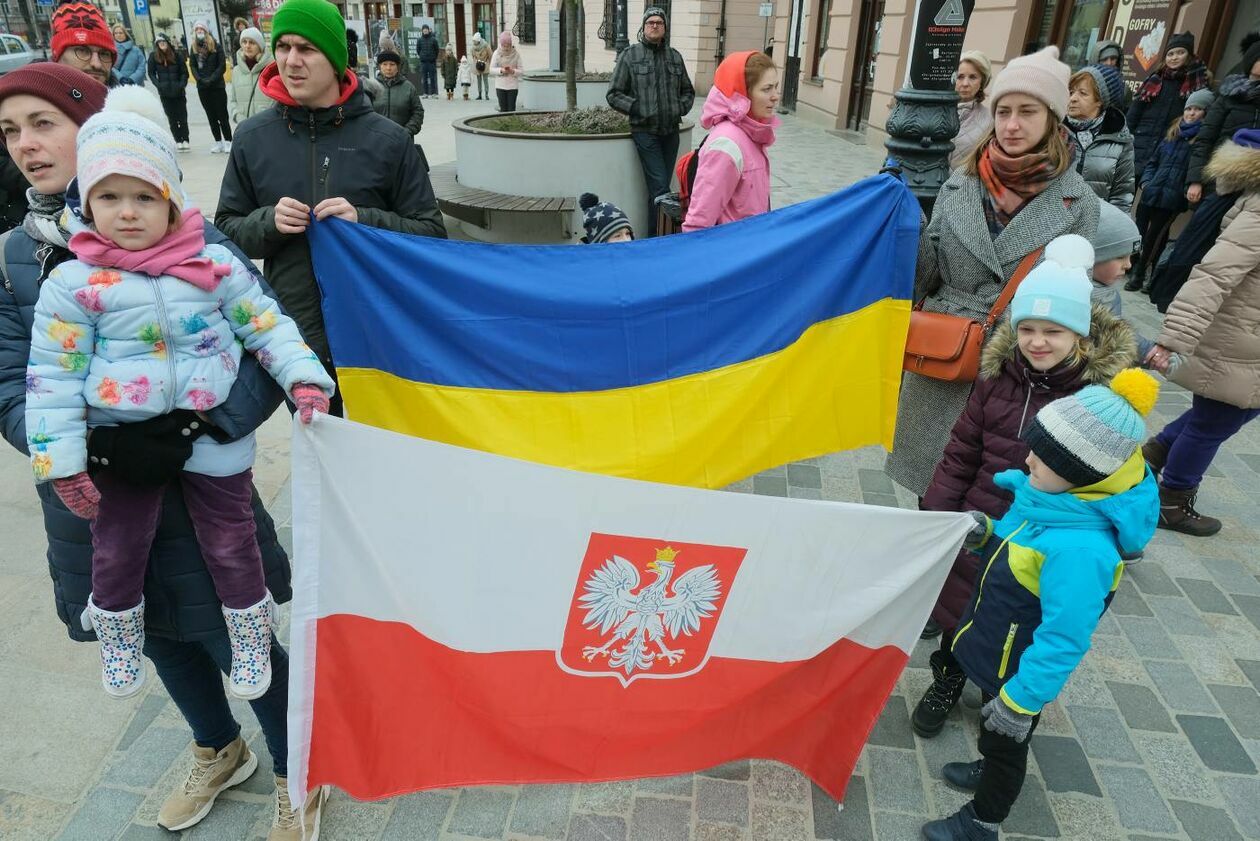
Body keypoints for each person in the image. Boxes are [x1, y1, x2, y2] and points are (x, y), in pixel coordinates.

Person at [0, 62, 327, 840]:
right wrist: (92, 451)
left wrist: (196, 430)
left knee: (233, 628)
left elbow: (261, 341)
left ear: (95, 129)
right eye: (10, 130)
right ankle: (218, 748)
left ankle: (297, 769)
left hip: (202, 481)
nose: (26, 145)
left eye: (43, 123)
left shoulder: (186, 235)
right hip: (101, 495)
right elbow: (16, 383)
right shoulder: (18, 256)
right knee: (159, 633)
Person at [911, 237, 1137, 740]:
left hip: (1041, 539)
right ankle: (947, 677)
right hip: (982, 522)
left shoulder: (1096, 400)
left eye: (1053, 331)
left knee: (1013, 623)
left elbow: (1122, 479)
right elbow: (963, 449)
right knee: (959, 612)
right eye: (1027, 329)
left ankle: (1002, 694)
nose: (1037, 341)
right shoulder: (996, 380)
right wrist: (939, 510)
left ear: (1078, 335)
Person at [921, 370, 1159, 841]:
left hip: (1019, 673)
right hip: (1000, 652)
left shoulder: (1080, 551)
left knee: (1005, 740)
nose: (1026, 458)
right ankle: (989, 765)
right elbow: (1016, 551)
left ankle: (983, 820)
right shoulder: (1050, 504)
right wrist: (986, 534)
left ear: (1080, 474)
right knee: (994, 737)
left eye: (1041, 458)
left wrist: (1022, 701)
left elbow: (1064, 638)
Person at [884, 46, 1100, 502]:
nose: (1012, 124)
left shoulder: (1077, 202)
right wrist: (904, 228)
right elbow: (927, 279)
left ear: (1053, 119)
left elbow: (1069, 301)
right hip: (946, 357)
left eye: (1027, 111)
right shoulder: (960, 182)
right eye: (1003, 111)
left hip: (1015, 374)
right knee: (933, 491)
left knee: (991, 498)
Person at [216, 0, 448, 418]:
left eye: (306, 49)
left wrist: (364, 221)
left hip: (377, 337)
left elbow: (431, 232)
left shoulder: (389, 140)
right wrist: (269, 222)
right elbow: (225, 232)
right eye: (282, 47)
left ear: (336, 57)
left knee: (381, 458)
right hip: (295, 342)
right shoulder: (252, 137)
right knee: (320, 460)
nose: (291, 60)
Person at [1143, 128, 1260, 537]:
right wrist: (1174, 338)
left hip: (1248, 338)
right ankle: (1171, 502)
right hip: (1235, 336)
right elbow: (1213, 275)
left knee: (1231, 413)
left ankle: (1154, 455)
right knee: (1216, 420)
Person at [1150, 39, 1260, 310]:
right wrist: (1195, 179)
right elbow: (1205, 139)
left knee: (1231, 250)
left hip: (1254, 187)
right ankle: (1169, 297)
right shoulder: (1230, 95)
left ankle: (1210, 306)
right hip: (1220, 181)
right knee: (1196, 239)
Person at [607, 7, 696, 227]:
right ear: (643, 27)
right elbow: (613, 94)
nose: (654, 25)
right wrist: (638, 108)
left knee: (659, 189)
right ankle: (659, 240)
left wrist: (679, 108)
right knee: (661, 188)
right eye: (650, 22)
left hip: (670, 132)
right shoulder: (631, 55)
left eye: (659, 22)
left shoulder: (675, 57)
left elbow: (688, 91)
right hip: (645, 133)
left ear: (665, 28)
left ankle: (654, 236)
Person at [681, 51, 780, 232]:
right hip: (733, 254)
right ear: (742, 94)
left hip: (750, 250)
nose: (775, 96)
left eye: (776, 87)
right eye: (767, 89)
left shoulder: (751, 134)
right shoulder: (726, 144)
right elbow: (699, 222)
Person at [1125, 88, 1213, 292]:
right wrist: (1146, 182)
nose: (1191, 113)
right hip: (1152, 190)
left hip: (1172, 195)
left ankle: (1140, 274)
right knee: (1140, 230)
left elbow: (1197, 169)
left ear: (1206, 113)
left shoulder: (1201, 140)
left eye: (1197, 109)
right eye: (1189, 108)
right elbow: (1153, 162)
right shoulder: (1172, 133)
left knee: (1155, 234)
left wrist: (1184, 190)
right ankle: (1144, 267)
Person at [1127, 32, 1210, 174]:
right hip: (1140, 143)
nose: (1174, 57)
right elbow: (1134, 114)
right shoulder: (1154, 80)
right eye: (1170, 54)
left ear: (1189, 55)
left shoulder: (1197, 83)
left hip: (1170, 146)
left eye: (1180, 52)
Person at [1065, 64, 1135, 212]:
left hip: (1094, 226)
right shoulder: (1055, 131)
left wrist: (1115, 231)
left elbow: (1122, 196)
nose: (1073, 99)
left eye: (1082, 93)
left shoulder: (1120, 141)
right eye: (1071, 92)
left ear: (1100, 100)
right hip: (1050, 223)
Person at [51, 1, 118, 88]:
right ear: (57, 57)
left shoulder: (128, 99)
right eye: (82, 50)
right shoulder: (35, 99)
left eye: (104, 53)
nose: (97, 64)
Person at [190, 21, 232, 153]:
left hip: (217, 87)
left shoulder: (216, 46)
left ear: (206, 31)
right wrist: (200, 79)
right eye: (197, 29)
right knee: (211, 116)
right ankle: (218, 142)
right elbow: (193, 66)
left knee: (222, 115)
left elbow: (222, 66)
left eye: (201, 29)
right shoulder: (194, 48)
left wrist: (212, 79)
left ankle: (228, 141)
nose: (199, 31)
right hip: (203, 88)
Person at [148, 34, 190, 151]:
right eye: (159, 42)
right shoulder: (153, 56)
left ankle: (185, 139)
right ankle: (178, 140)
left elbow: (184, 72)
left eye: (164, 41)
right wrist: (159, 85)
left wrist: (181, 84)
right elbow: (151, 73)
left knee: (182, 117)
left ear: (167, 42)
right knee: (172, 118)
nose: (162, 44)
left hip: (179, 92)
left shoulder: (177, 55)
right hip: (165, 93)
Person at [951, 50, 992, 169]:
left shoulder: (990, 121)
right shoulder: (936, 112)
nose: (965, 83)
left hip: (963, 186)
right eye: (960, 77)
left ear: (982, 82)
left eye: (973, 77)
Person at [228, 27, 275, 124]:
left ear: (260, 46)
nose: (247, 46)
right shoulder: (236, 71)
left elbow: (277, 100)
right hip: (245, 127)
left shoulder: (271, 68)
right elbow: (233, 100)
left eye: (252, 43)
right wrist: (238, 116)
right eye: (244, 42)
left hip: (266, 125)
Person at [372, 50, 423, 137]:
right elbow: (364, 113)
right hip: (377, 140)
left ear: (398, 67)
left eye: (392, 64)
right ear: (379, 66)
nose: (388, 68)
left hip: (402, 140)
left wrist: (407, 131)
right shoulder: (371, 87)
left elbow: (418, 112)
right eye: (385, 64)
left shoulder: (408, 87)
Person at [490, 31, 523, 113]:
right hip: (500, 86)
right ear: (501, 44)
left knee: (511, 109)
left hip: (512, 86)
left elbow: (521, 71)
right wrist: (501, 70)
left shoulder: (516, 54)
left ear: (511, 44)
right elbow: (491, 69)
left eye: (508, 45)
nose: (506, 48)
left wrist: (513, 71)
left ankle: (512, 125)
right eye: (504, 45)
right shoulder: (496, 53)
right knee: (503, 109)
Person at [416, 23, 439, 99]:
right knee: (424, 78)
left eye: (426, 30)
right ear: (422, 31)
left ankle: (433, 93)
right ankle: (425, 93)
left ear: (428, 30)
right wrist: (422, 56)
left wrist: (434, 57)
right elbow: (418, 50)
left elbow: (437, 50)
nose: (425, 31)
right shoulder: (419, 40)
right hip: (423, 62)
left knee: (432, 78)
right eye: (424, 30)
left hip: (431, 62)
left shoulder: (433, 39)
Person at [471, 31, 492, 101]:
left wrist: (489, 63)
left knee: (485, 80)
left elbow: (490, 55)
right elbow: (473, 56)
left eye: (475, 41)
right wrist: (476, 61)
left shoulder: (486, 46)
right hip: (478, 65)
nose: (474, 42)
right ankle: (479, 94)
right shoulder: (473, 47)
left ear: (478, 41)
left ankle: (486, 94)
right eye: (473, 41)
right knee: (478, 80)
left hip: (485, 64)